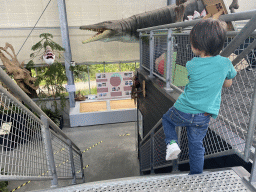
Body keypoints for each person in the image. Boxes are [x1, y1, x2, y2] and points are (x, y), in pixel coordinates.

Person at [162, 18, 237, 175]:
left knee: (167, 120)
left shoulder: (191, 64)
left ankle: (172, 143)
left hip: (182, 110)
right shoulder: (225, 63)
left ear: (197, 46)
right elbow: (228, 84)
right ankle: (196, 175)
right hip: (203, 116)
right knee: (196, 145)